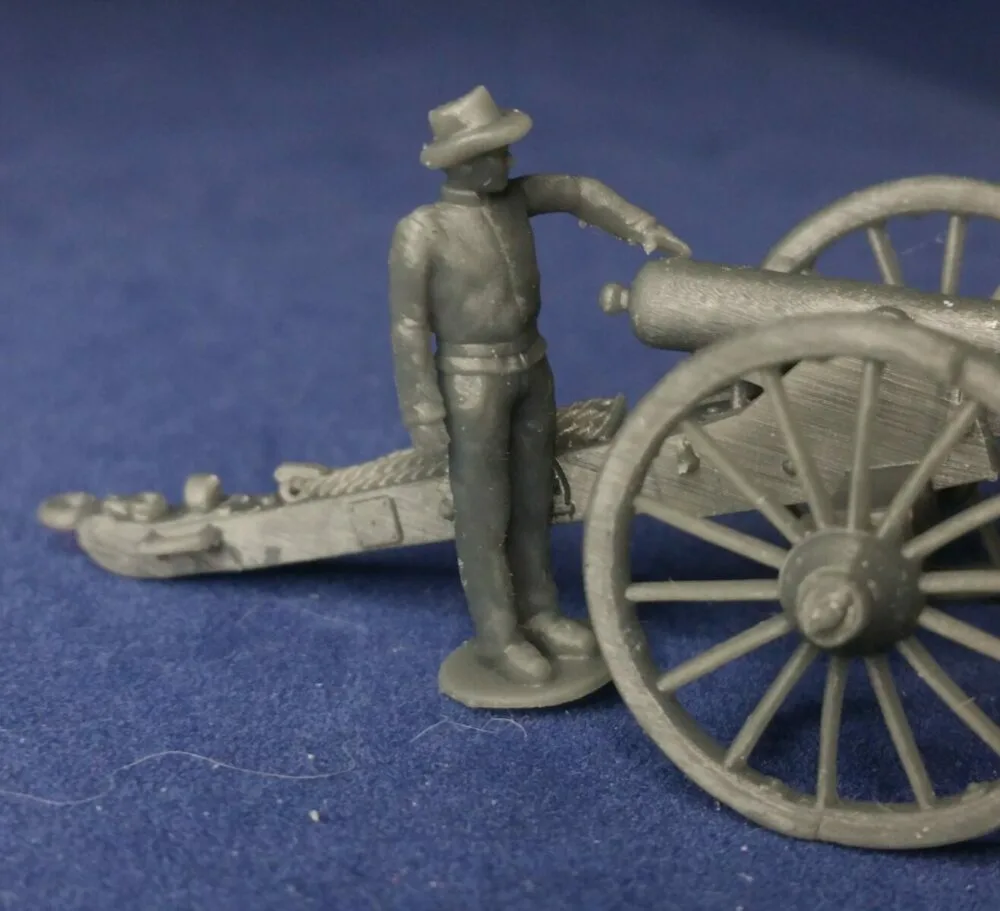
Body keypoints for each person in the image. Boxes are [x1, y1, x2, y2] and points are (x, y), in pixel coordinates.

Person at [388, 86, 690, 688]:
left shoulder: (515, 200)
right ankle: (498, 635)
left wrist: (642, 227)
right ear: (463, 162)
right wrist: (423, 409)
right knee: (483, 513)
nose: (508, 160)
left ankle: (542, 612)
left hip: (531, 367)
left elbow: (577, 191)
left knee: (534, 501)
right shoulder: (422, 231)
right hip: (471, 382)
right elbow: (407, 326)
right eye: (495, 152)